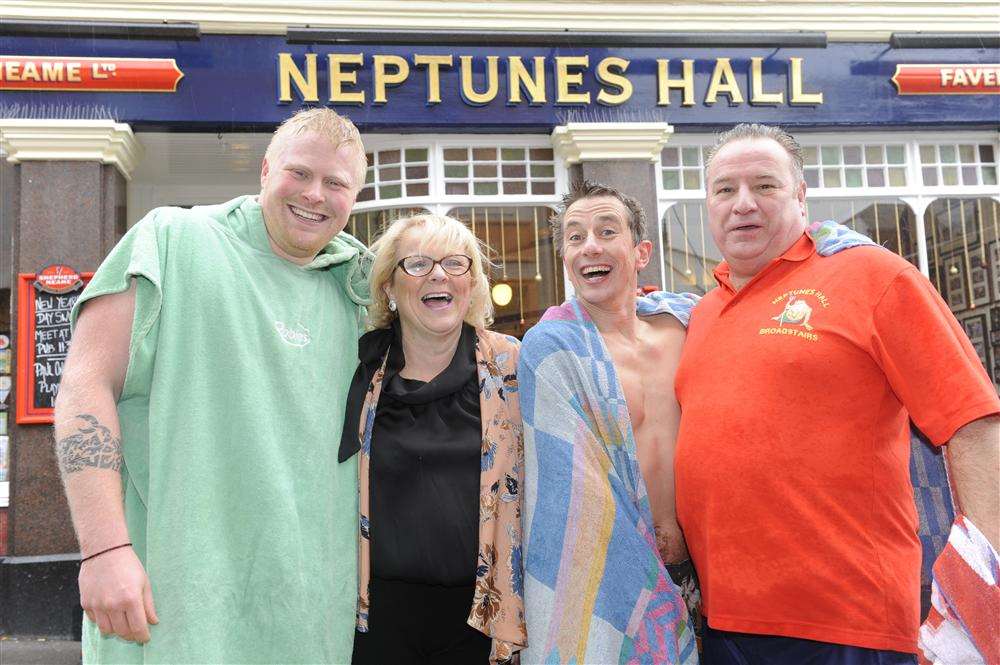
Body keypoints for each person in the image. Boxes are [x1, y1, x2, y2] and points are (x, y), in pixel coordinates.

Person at [674, 123, 1000, 664]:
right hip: (725, 622)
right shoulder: (703, 312)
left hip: (848, 623)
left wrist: (986, 578)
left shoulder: (871, 275)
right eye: (725, 190)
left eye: (765, 186)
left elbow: (973, 420)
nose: (743, 204)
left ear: (801, 195)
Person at [54, 108, 371, 664]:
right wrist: (103, 548)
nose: (315, 195)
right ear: (266, 169)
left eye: (336, 184)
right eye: (300, 173)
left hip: (312, 616)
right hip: (174, 611)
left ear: (355, 197)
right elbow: (84, 387)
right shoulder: (172, 240)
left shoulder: (363, 286)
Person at [517, 180, 862, 665]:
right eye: (574, 237)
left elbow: (770, 297)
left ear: (640, 252)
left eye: (605, 230)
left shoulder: (692, 323)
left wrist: (833, 243)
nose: (589, 245)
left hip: (715, 570)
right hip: (614, 577)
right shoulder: (551, 349)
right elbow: (561, 491)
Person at [338, 214, 527, 665]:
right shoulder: (358, 370)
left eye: (455, 264)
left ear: (472, 284)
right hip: (376, 619)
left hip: (479, 618)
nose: (439, 274)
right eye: (418, 264)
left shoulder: (510, 366)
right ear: (389, 287)